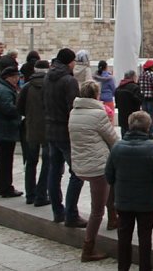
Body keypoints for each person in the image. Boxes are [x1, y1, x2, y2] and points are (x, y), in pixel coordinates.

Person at [106, 110, 153, 271]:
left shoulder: (117, 147)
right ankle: (145, 267)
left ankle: (123, 267)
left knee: (123, 237)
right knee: (145, 238)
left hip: (123, 201)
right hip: (146, 202)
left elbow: (109, 175)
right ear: (148, 127)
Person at [69, 80, 120, 262]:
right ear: (96, 95)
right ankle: (88, 248)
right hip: (97, 167)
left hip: (81, 164)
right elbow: (113, 139)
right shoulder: (98, 114)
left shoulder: (73, 112)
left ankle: (113, 217)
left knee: (110, 183)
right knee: (97, 211)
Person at [44, 48, 87, 227]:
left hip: (50, 129)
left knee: (54, 171)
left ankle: (57, 211)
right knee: (77, 173)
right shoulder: (69, 81)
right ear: (70, 62)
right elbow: (74, 107)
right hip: (65, 131)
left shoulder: (48, 77)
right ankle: (71, 214)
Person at [17, 59, 50, 207]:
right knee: (47, 163)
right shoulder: (50, 86)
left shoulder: (27, 87)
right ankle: (41, 194)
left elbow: (19, 108)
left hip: (30, 128)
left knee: (30, 162)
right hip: (48, 129)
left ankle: (30, 194)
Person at [0, 67, 23, 198]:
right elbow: (8, 109)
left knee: (3, 159)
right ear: (8, 77)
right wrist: (21, 108)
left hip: (2, 128)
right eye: (15, 77)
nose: (17, 79)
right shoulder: (4, 90)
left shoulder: (1, 87)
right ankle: (5, 188)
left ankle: (2, 186)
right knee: (5, 160)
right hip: (4, 129)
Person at [114, 70, 143, 137]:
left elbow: (117, 103)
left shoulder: (118, 88)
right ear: (133, 77)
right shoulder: (135, 87)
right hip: (133, 117)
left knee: (124, 135)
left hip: (122, 116)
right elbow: (139, 101)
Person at [138, 60, 153, 129]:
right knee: (150, 117)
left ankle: (144, 131)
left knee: (144, 117)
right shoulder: (152, 74)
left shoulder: (141, 74)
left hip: (143, 98)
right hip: (151, 98)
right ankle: (150, 133)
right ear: (152, 67)